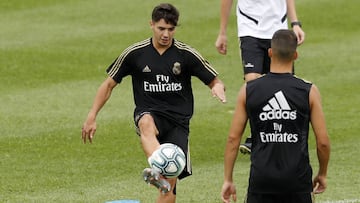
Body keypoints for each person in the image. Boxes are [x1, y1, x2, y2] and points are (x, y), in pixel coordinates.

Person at [81, 3, 226, 203]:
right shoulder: (135, 53)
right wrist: (91, 116)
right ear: (151, 25)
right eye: (161, 28)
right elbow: (108, 85)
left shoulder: (186, 54)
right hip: (149, 112)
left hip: (178, 123)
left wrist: (217, 88)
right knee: (146, 123)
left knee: (168, 190)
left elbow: (215, 80)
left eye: (171, 29)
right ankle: (160, 165)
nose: (166, 34)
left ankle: (161, 176)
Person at [221, 29, 330, 203]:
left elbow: (233, 139)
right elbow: (323, 142)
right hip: (298, 182)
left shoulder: (248, 90)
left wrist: (228, 179)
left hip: (261, 181)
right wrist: (322, 174)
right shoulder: (309, 91)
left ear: (270, 53)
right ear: (295, 55)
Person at [215, 0, 306, 154]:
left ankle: (285, 134)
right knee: (253, 83)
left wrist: (295, 23)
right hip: (250, 28)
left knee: (284, 84)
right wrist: (222, 32)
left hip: (278, 27)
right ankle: (257, 134)